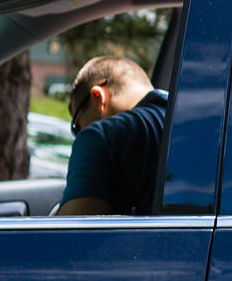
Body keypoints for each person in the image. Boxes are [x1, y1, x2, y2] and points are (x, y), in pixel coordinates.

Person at [55, 55, 169, 216]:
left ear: (98, 97)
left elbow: (68, 234)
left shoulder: (100, 136)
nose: (79, 133)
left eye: (77, 126)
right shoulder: (200, 125)